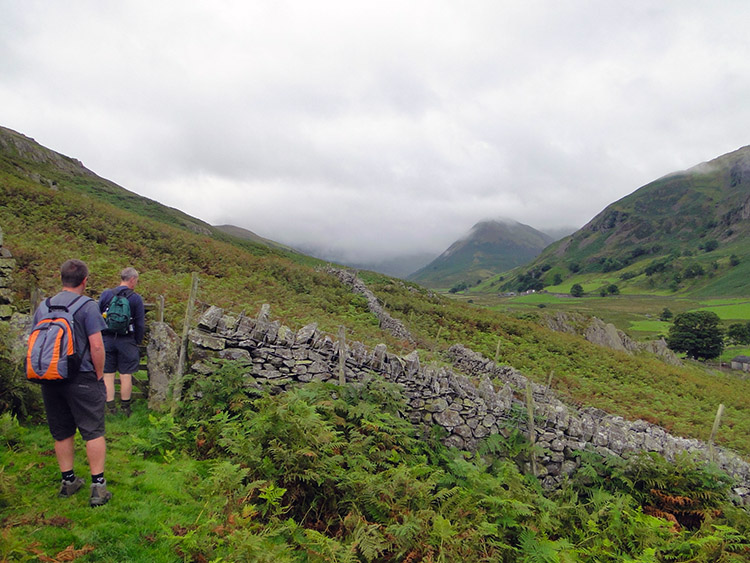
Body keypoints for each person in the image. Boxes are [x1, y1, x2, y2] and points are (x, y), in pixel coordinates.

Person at [35, 259, 112, 507]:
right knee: (93, 431)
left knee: (61, 431)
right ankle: (98, 488)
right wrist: (99, 375)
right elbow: (97, 345)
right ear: (85, 280)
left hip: (50, 377)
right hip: (82, 377)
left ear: (61, 278)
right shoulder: (87, 307)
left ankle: (68, 482)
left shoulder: (44, 306)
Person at [99, 267, 145, 417]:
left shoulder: (106, 294)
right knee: (126, 375)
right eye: (136, 281)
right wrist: (136, 341)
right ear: (132, 280)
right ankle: (126, 408)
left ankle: (110, 408)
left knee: (108, 375)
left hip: (107, 339)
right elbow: (140, 324)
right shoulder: (136, 299)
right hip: (126, 340)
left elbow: (98, 316)